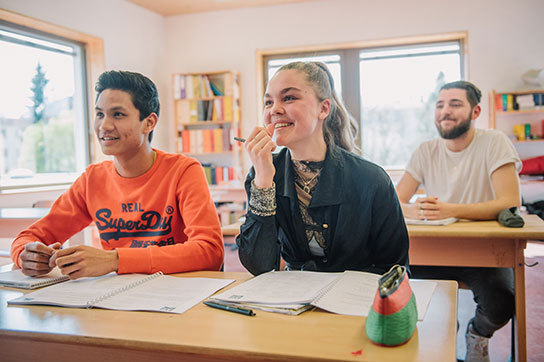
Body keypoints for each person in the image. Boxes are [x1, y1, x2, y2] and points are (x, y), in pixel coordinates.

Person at [11, 70, 224, 279]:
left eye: (118, 114)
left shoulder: (183, 170)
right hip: (114, 298)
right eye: (100, 114)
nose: (104, 126)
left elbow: (209, 251)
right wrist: (25, 256)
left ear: (149, 123)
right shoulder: (92, 179)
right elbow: (29, 237)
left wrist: (115, 260)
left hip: (176, 296)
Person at [236, 61, 409, 276]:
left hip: (358, 299)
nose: (275, 110)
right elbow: (259, 265)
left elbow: (396, 268)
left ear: (323, 108)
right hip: (293, 299)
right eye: (268, 102)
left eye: (289, 98)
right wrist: (263, 180)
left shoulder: (372, 179)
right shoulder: (264, 173)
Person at [395, 81, 521, 362]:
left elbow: (509, 201)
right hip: (434, 250)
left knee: (501, 302)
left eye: (455, 104)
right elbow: (395, 203)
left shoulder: (494, 142)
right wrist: (413, 211)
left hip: (484, 252)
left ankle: (477, 334)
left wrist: (451, 210)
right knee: (416, 300)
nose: (444, 111)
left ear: (475, 112)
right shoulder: (426, 150)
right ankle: (441, 344)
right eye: (439, 105)